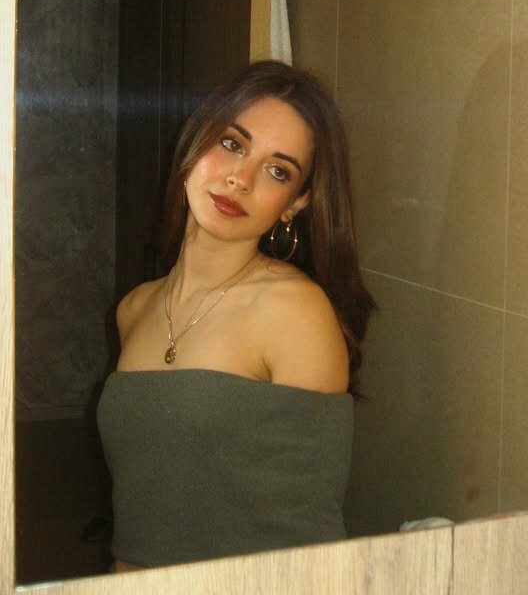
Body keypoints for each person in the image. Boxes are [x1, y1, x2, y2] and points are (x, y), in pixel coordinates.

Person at [97, 61, 374, 571]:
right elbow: (142, 508)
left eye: (277, 171)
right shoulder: (134, 309)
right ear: (195, 141)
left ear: (296, 203)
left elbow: (311, 539)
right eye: (231, 143)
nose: (239, 179)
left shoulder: (295, 312)